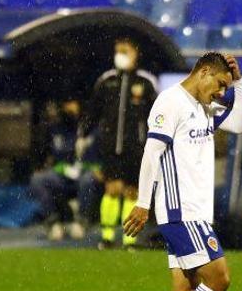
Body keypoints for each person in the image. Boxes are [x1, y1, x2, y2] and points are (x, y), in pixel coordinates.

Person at [123, 52, 242, 291]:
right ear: (204, 72)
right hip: (181, 212)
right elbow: (152, 153)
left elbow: (241, 124)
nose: (220, 92)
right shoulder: (171, 102)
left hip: (194, 211)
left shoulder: (204, 107)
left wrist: (238, 81)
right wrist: (142, 203)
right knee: (219, 278)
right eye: (219, 84)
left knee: (184, 287)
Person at [84, 37, 158, 249]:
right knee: (112, 189)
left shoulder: (146, 82)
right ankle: (107, 237)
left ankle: (129, 240)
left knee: (132, 192)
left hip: (136, 148)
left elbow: (158, 115)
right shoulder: (106, 81)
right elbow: (92, 113)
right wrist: (84, 136)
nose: (120, 56)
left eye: (125, 51)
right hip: (110, 147)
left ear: (135, 53)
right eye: (118, 51)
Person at [29, 99, 102, 241]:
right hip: (63, 176)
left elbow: (98, 157)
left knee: (88, 179)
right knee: (38, 180)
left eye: (73, 104)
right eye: (67, 104)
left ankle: (81, 222)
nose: (70, 108)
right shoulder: (56, 128)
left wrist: (99, 169)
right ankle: (53, 223)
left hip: (84, 175)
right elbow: (48, 153)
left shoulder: (92, 128)